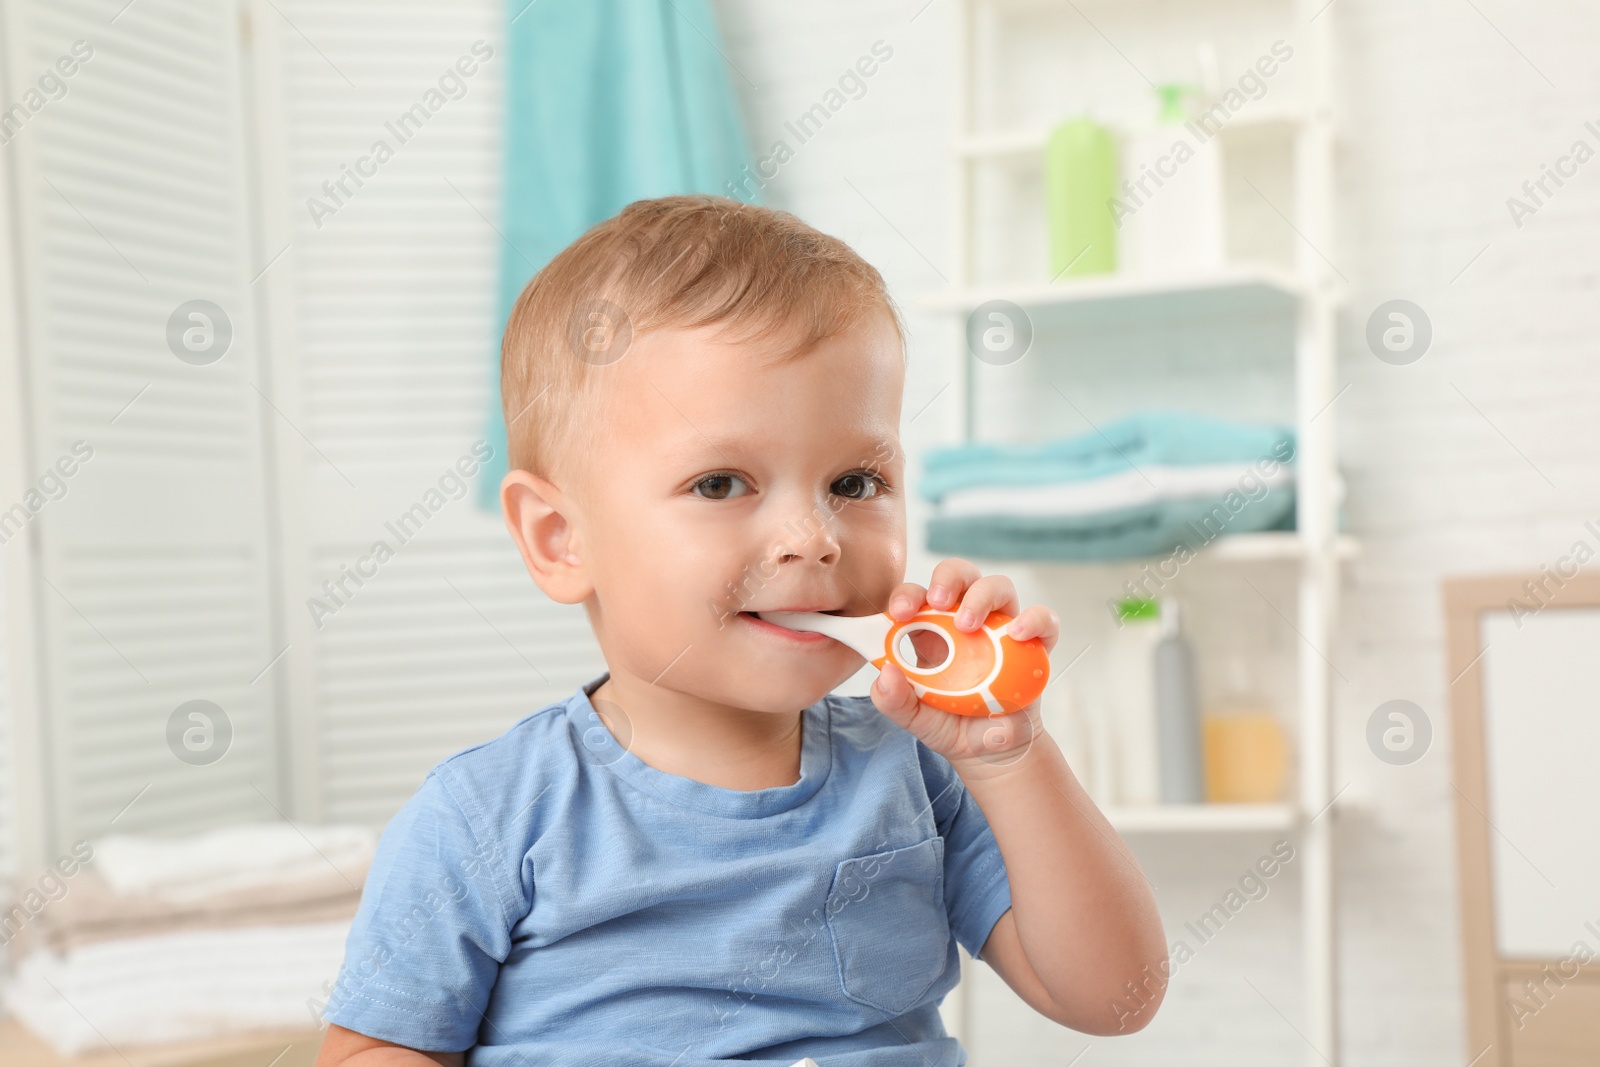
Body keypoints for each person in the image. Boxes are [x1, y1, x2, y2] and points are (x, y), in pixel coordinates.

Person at [313, 195, 1166, 1067]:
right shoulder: (486, 819)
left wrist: (1008, 760)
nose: (815, 536)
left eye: (856, 482)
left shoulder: (918, 773)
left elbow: (1117, 999)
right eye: (722, 484)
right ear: (560, 539)